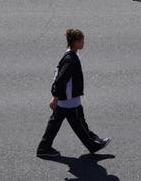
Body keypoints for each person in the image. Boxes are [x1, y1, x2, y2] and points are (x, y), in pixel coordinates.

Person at [36, 28, 110, 158]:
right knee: (77, 123)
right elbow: (61, 79)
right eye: (81, 41)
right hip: (68, 100)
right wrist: (55, 98)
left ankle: (44, 148)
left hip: (68, 99)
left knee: (66, 121)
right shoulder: (71, 60)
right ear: (75, 42)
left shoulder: (72, 55)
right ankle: (92, 144)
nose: (83, 43)